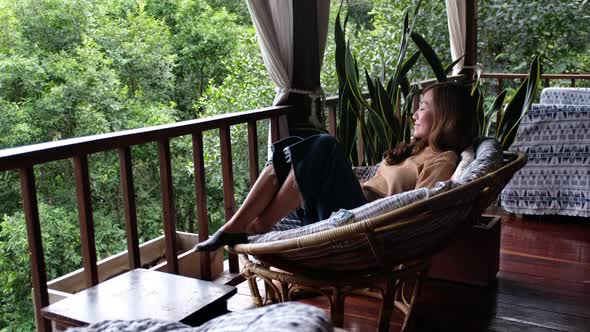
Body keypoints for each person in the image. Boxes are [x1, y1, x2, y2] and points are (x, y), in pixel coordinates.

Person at [195, 82, 479, 251]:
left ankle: (254, 226)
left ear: (445, 116)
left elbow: (421, 207)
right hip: (342, 211)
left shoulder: (444, 160)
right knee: (294, 149)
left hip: (364, 224)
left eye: (424, 107)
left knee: (324, 145)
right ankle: (241, 225)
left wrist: (373, 208)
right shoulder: (416, 149)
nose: (415, 114)